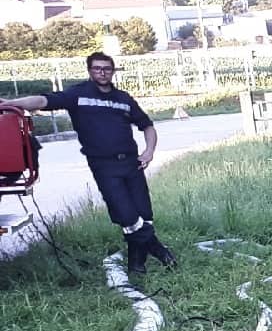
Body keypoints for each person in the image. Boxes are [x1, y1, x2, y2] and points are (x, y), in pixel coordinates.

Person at [0, 52, 174, 273]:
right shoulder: (78, 95)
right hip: (104, 166)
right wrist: (10, 104)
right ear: (90, 71)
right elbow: (43, 101)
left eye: (107, 69)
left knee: (144, 216)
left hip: (132, 163)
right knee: (127, 215)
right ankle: (160, 251)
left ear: (113, 71)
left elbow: (147, 126)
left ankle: (136, 267)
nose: (102, 72)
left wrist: (149, 151)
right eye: (97, 68)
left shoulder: (124, 99)